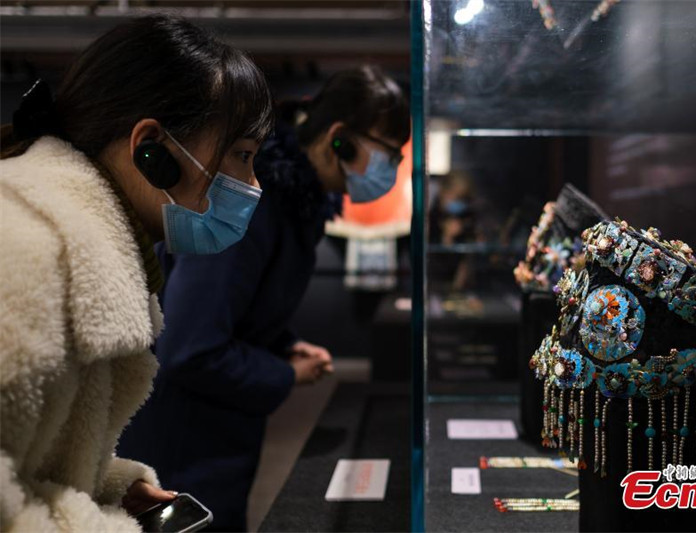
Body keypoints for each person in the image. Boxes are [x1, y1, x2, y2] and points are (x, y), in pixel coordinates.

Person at [0, 15, 272, 532]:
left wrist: (110, 487)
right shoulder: (28, 251)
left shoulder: (94, 248)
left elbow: (25, 457)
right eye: (241, 154)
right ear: (153, 150)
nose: (253, 183)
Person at [118, 65, 410, 530]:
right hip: (185, 441)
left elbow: (238, 309)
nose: (392, 170)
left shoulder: (297, 204)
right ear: (340, 139)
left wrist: (281, 343)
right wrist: (284, 372)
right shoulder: (256, 205)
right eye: (388, 155)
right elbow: (191, 346)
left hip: (216, 431)